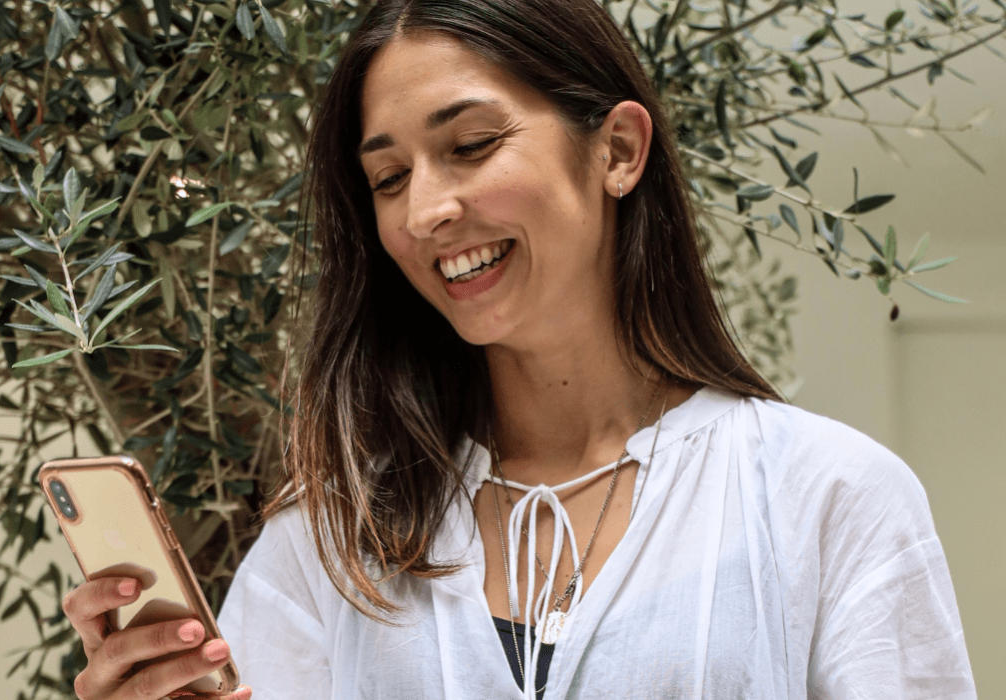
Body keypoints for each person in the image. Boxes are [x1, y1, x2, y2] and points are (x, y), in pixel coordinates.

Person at [60, 1, 977, 698]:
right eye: (389, 177)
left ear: (618, 150)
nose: (426, 211)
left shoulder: (826, 498)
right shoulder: (330, 542)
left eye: (471, 144)